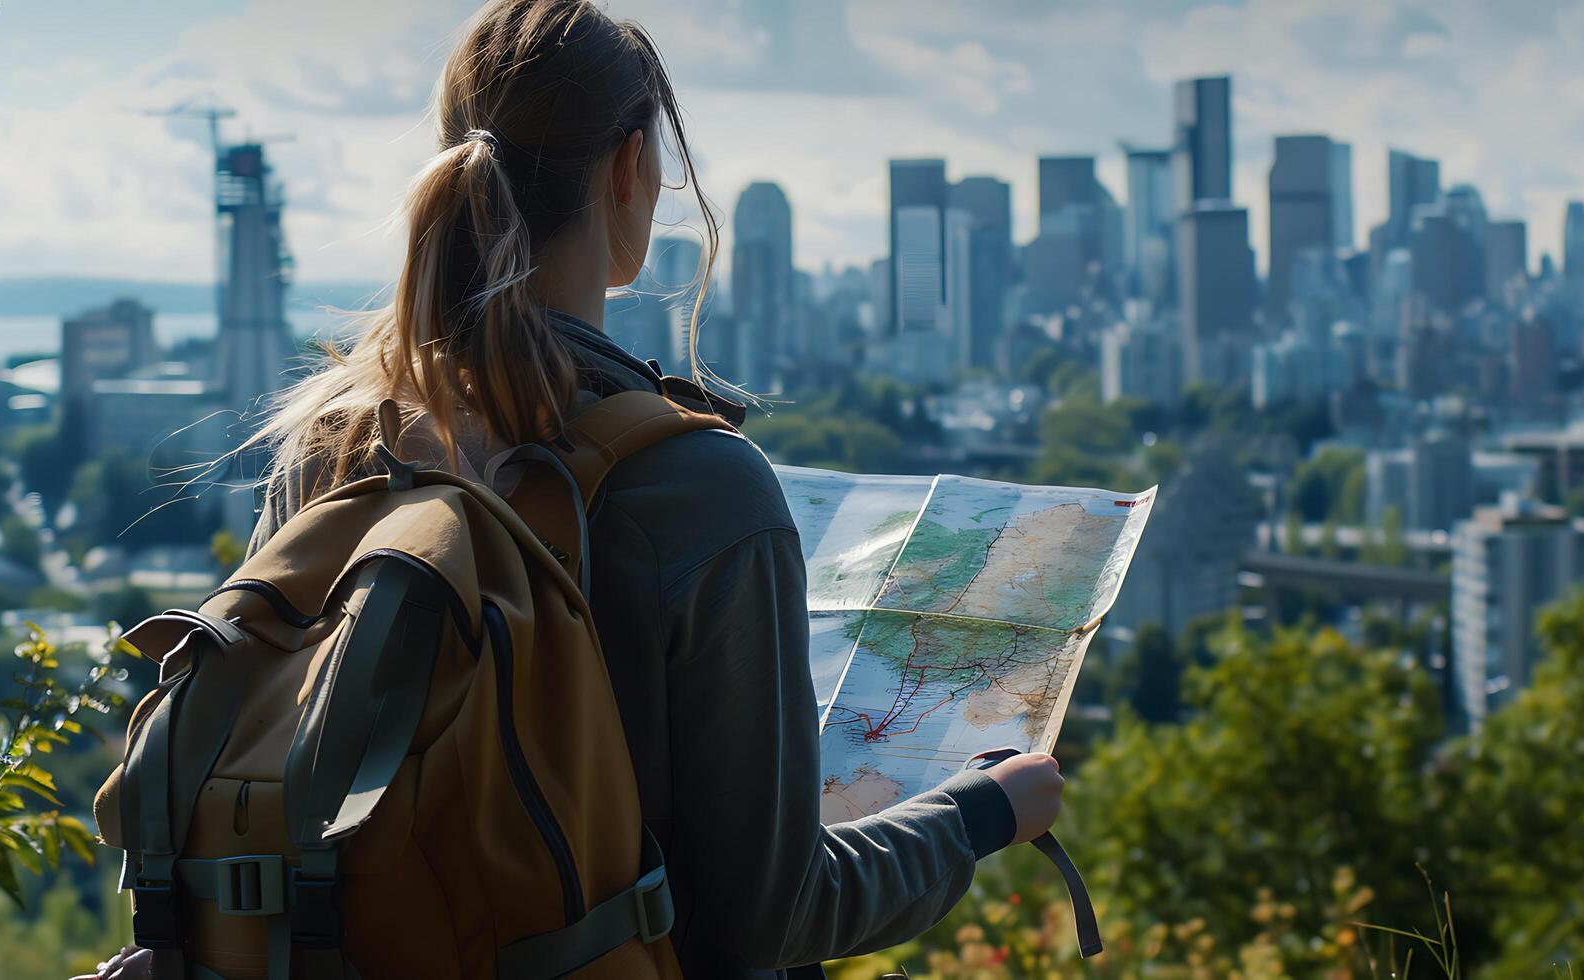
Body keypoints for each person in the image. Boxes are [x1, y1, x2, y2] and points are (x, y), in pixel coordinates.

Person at [79, 2, 1063, 977]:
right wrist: (981, 811)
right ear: (631, 168)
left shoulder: (334, 445)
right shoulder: (702, 488)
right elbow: (769, 912)